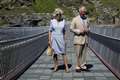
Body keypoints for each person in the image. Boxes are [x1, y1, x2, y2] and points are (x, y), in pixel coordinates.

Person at [48, 8, 69, 72]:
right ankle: (56, 66)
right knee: (55, 54)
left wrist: (65, 39)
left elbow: (64, 31)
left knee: (63, 53)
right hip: (54, 38)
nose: (58, 15)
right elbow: (50, 31)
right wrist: (49, 40)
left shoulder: (63, 21)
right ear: (55, 15)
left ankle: (66, 66)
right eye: (57, 14)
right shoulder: (52, 21)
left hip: (61, 38)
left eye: (59, 14)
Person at [70, 5, 89, 72]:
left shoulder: (87, 19)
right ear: (80, 11)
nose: (84, 13)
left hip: (85, 38)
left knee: (84, 53)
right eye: (83, 11)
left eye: (85, 11)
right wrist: (78, 31)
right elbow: (71, 28)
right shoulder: (75, 19)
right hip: (78, 38)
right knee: (78, 54)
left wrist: (88, 30)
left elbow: (89, 27)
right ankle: (78, 66)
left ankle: (83, 65)